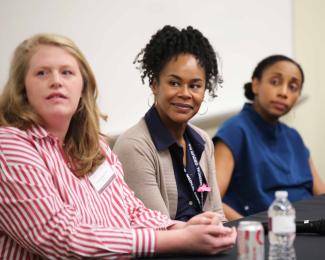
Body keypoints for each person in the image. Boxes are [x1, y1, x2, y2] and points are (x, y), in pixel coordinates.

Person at [0, 33, 236, 258]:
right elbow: (61, 237)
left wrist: (177, 228)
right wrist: (180, 239)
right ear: (22, 89)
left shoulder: (97, 147)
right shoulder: (9, 146)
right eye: (42, 73)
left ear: (83, 86)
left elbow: (132, 211)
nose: (56, 81)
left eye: (67, 72)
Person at [113, 25, 225, 222]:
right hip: (168, 251)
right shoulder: (134, 146)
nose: (185, 93)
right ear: (154, 84)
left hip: (207, 246)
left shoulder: (203, 141)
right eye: (174, 83)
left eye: (195, 86)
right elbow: (157, 230)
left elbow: (217, 214)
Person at [213, 54, 325, 221]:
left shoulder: (293, 136)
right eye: (275, 82)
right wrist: (256, 229)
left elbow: (321, 194)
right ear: (256, 85)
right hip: (268, 235)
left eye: (293, 87)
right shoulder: (234, 131)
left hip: (309, 225)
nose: (284, 93)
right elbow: (213, 201)